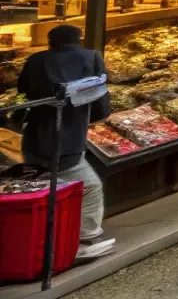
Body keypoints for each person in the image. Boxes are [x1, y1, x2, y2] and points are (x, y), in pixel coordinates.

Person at [17, 24, 115, 260]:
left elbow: (23, 91)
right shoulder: (91, 57)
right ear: (79, 39)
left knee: (51, 183)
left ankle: (56, 239)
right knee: (89, 186)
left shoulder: (35, 59)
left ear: (50, 42)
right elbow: (100, 98)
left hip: (36, 135)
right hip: (68, 136)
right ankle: (84, 239)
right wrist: (96, 115)